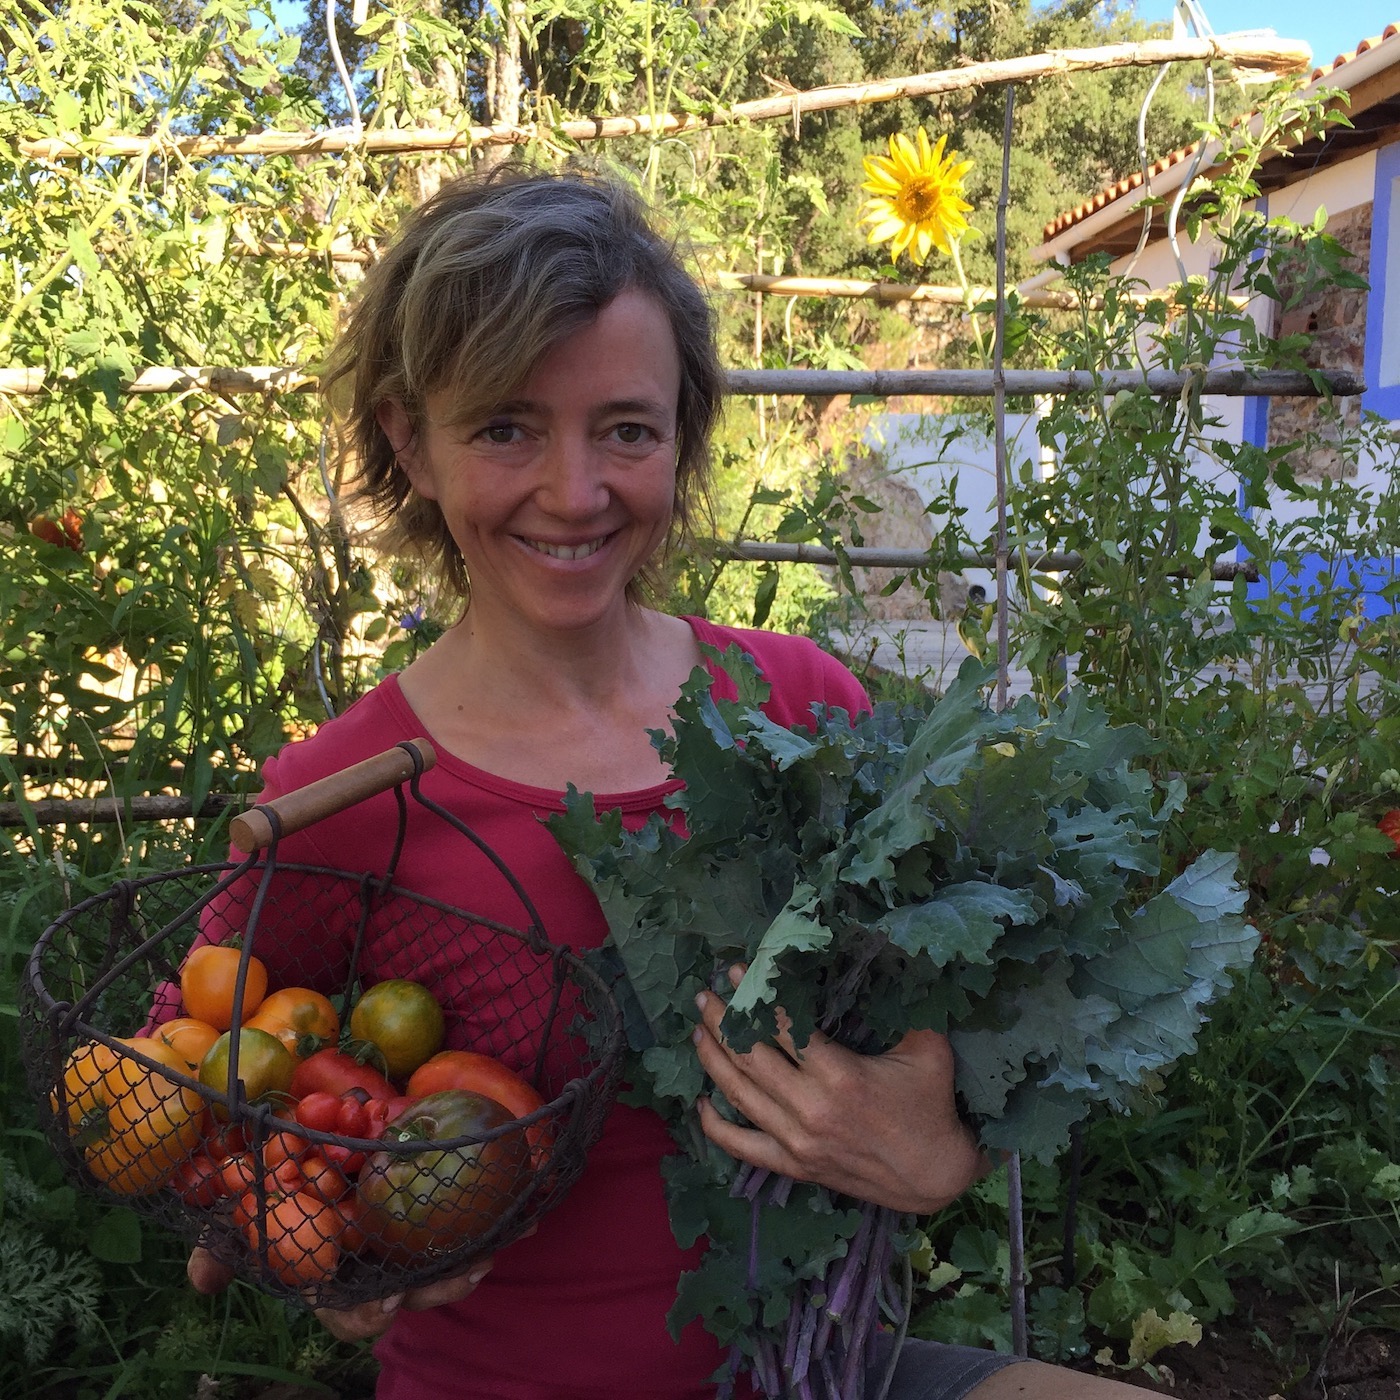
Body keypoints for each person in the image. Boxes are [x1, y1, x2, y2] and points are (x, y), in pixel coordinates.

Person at [186, 166, 1150, 1400]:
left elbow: (958, 1035)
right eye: (504, 427)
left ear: (681, 436)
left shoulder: (803, 705)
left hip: (823, 1368)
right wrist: (333, 1259)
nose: (576, 491)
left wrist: (940, 1149)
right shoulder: (338, 794)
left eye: (625, 428)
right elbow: (203, 1167)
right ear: (405, 441)